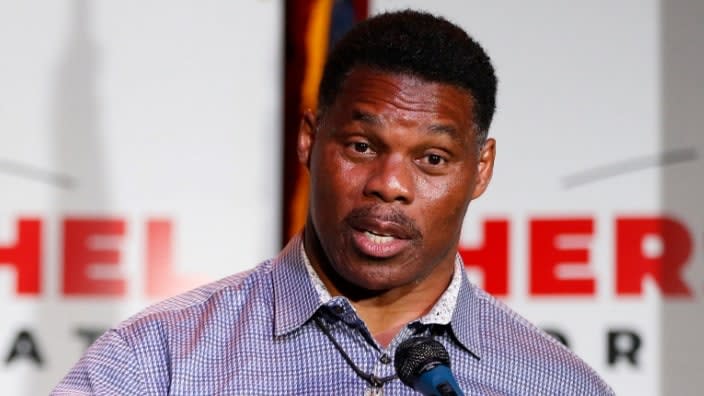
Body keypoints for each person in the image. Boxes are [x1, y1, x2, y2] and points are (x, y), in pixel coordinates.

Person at [53, 10, 613, 395]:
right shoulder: (158, 361)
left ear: (481, 168)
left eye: (432, 160)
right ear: (309, 139)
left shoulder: (555, 383)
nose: (389, 184)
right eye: (363, 146)